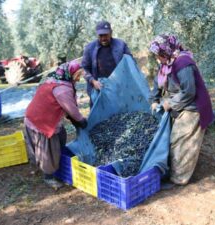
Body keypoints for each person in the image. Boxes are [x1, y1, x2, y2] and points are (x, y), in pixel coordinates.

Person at [149, 34, 214, 186]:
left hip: (194, 107)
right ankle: (173, 171)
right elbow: (157, 84)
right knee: (171, 139)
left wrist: (170, 103)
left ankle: (179, 178)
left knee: (180, 140)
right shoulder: (165, 64)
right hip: (182, 104)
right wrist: (154, 100)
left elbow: (189, 91)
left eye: (159, 55)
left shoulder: (183, 63)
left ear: (166, 51)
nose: (158, 59)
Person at [24, 60, 87, 189]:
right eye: (78, 75)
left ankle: (44, 165)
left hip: (33, 116)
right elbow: (72, 110)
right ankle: (49, 176)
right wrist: (82, 122)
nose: (79, 79)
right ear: (71, 73)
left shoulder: (56, 79)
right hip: (42, 121)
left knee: (61, 136)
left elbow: (70, 106)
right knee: (49, 148)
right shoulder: (62, 89)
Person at [81, 20, 133, 106]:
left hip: (119, 87)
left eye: (106, 35)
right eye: (100, 35)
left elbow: (130, 62)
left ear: (111, 33)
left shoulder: (121, 45)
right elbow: (84, 68)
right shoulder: (90, 48)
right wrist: (93, 81)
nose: (103, 38)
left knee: (120, 112)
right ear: (97, 35)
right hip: (99, 88)